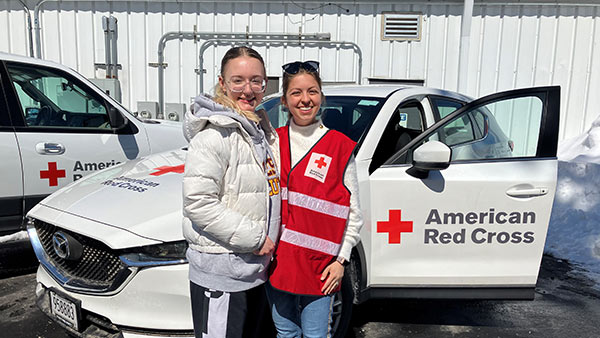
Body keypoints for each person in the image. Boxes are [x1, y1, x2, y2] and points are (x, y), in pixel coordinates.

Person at [182, 46, 280, 338]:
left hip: (254, 271)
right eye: (238, 80)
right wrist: (255, 238)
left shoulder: (261, 133)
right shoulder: (214, 136)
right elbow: (198, 204)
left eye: (256, 81)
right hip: (223, 274)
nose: (247, 89)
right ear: (222, 84)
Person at [266, 60, 364, 338]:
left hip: (321, 268)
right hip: (278, 264)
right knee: (285, 334)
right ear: (284, 101)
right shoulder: (273, 142)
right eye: (296, 93)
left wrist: (341, 261)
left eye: (312, 91)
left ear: (321, 96)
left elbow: (354, 213)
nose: (305, 99)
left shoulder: (341, 148)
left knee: (316, 336)